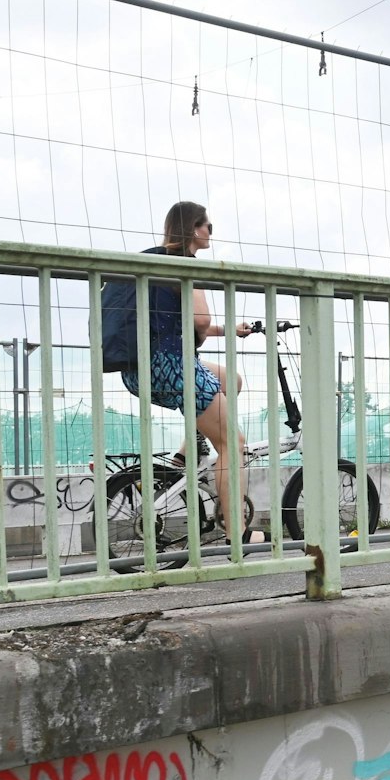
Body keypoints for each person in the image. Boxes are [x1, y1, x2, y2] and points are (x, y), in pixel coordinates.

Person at [100, 201, 252, 543]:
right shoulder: (184, 263)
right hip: (174, 368)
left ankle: (186, 453)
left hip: (140, 370)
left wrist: (229, 330)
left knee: (232, 381)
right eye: (208, 226)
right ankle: (237, 532)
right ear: (194, 229)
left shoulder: (154, 261)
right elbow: (199, 321)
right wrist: (206, 329)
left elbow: (175, 325)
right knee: (234, 445)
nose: (210, 232)